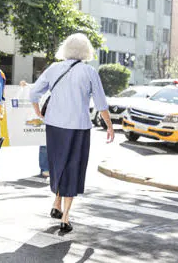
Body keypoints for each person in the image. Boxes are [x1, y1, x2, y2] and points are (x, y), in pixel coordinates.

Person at [30, 33, 114, 234]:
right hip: (78, 127)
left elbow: (34, 93)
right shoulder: (89, 72)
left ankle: (57, 202)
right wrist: (110, 126)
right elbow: (101, 103)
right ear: (86, 51)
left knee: (57, 163)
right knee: (73, 168)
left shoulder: (53, 68)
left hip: (54, 126)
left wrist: (39, 113)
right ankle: (65, 217)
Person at [20, 80, 49, 178]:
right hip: (47, 116)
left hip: (59, 117)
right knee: (44, 141)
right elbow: (35, 88)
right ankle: (45, 168)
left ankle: (52, 168)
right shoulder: (46, 83)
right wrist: (26, 85)